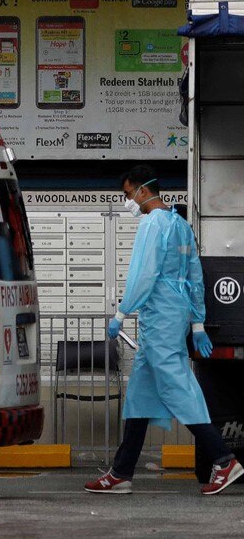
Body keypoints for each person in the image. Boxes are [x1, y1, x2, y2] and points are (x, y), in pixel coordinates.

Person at [84, 165, 242, 496]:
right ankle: (121, 472)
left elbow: (143, 273)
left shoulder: (152, 224)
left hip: (160, 320)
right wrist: (197, 322)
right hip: (175, 316)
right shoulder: (181, 225)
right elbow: (194, 274)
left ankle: (223, 458)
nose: (128, 201)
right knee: (140, 397)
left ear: (142, 191)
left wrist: (121, 312)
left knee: (177, 388)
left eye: (127, 194)